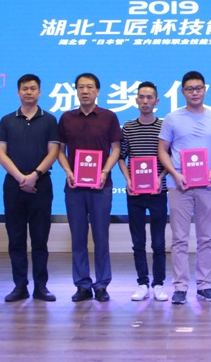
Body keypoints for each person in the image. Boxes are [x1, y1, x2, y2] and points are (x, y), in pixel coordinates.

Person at [158, 71, 211, 305]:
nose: (195, 92)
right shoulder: (172, 118)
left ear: (205, 90)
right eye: (190, 89)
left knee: (206, 237)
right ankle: (180, 287)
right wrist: (175, 173)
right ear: (183, 92)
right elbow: (162, 150)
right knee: (179, 238)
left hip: (207, 185)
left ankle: (205, 285)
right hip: (179, 186)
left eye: (198, 88)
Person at [0, 73, 60, 303]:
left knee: (40, 239)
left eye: (33, 88)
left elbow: (53, 152)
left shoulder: (50, 120)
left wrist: (34, 176)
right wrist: (21, 178)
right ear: (18, 92)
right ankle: (19, 286)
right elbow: (1, 153)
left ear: (39, 92)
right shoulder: (6, 121)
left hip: (41, 185)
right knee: (16, 238)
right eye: (25, 88)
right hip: (13, 186)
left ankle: (41, 287)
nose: (29, 92)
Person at [57, 72, 122, 302]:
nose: (85, 91)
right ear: (76, 91)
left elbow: (116, 149)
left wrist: (104, 171)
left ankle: (102, 284)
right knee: (78, 237)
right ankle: (82, 285)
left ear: (97, 91)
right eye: (81, 87)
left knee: (101, 236)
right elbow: (60, 151)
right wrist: (68, 171)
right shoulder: (67, 118)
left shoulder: (109, 117)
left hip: (101, 186)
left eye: (90, 87)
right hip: (75, 186)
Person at [116, 82, 168, 302]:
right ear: (136, 100)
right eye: (141, 97)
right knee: (138, 241)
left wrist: (160, 177)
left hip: (158, 191)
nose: (145, 101)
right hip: (135, 193)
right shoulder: (128, 127)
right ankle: (142, 283)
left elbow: (170, 157)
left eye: (149, 97)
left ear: (156, 101)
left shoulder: (164, 126)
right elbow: (121, 156)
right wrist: (128, 179)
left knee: (158, 242)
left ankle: (158, 284)